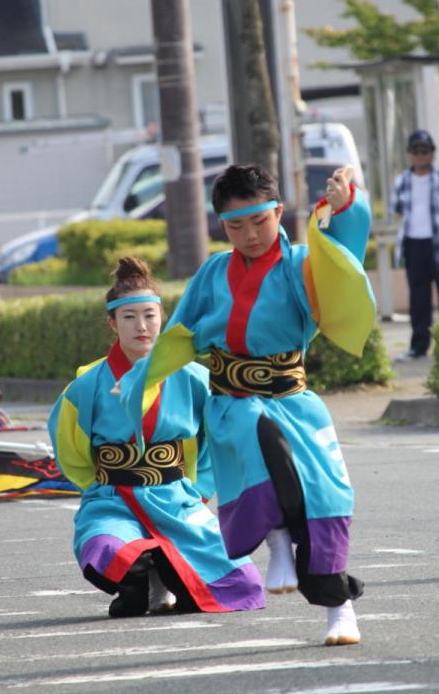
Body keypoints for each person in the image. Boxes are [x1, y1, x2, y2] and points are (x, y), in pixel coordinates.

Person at [119, 163, 373, 646]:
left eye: (259, 221)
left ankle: (340, 607)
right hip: (233, 406)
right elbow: (181, 336)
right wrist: (140, 377)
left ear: (278, 211)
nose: (251, 235)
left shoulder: (301, 265)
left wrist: (345, 211)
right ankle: (275, 539)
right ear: (222, 226)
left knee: (322, 504)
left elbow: (343, 266)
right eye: (236, 225)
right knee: (258, 431)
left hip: (294, 403)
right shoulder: (215, 271)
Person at [47, 257, 265, 618]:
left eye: (149, 315)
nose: (141, 326)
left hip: (177, 498)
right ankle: (140, 578)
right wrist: (99, 487)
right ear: (112, 323)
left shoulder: (194, 378)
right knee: (106, 547)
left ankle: (163, 572)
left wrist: (199, 488)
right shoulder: (85, 387)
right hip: (113, 500)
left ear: (162, 317)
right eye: (129, 317)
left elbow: (219, 437)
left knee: (238, 583)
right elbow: (69, 449)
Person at [391, 128, 439, 360]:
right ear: (409, 154)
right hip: (414, 246)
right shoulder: (402, 180)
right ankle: (419, 345)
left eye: (425, 150)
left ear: (433, 153)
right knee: (418, 299)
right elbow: (398, 210)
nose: (420, 155)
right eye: (416, 150)